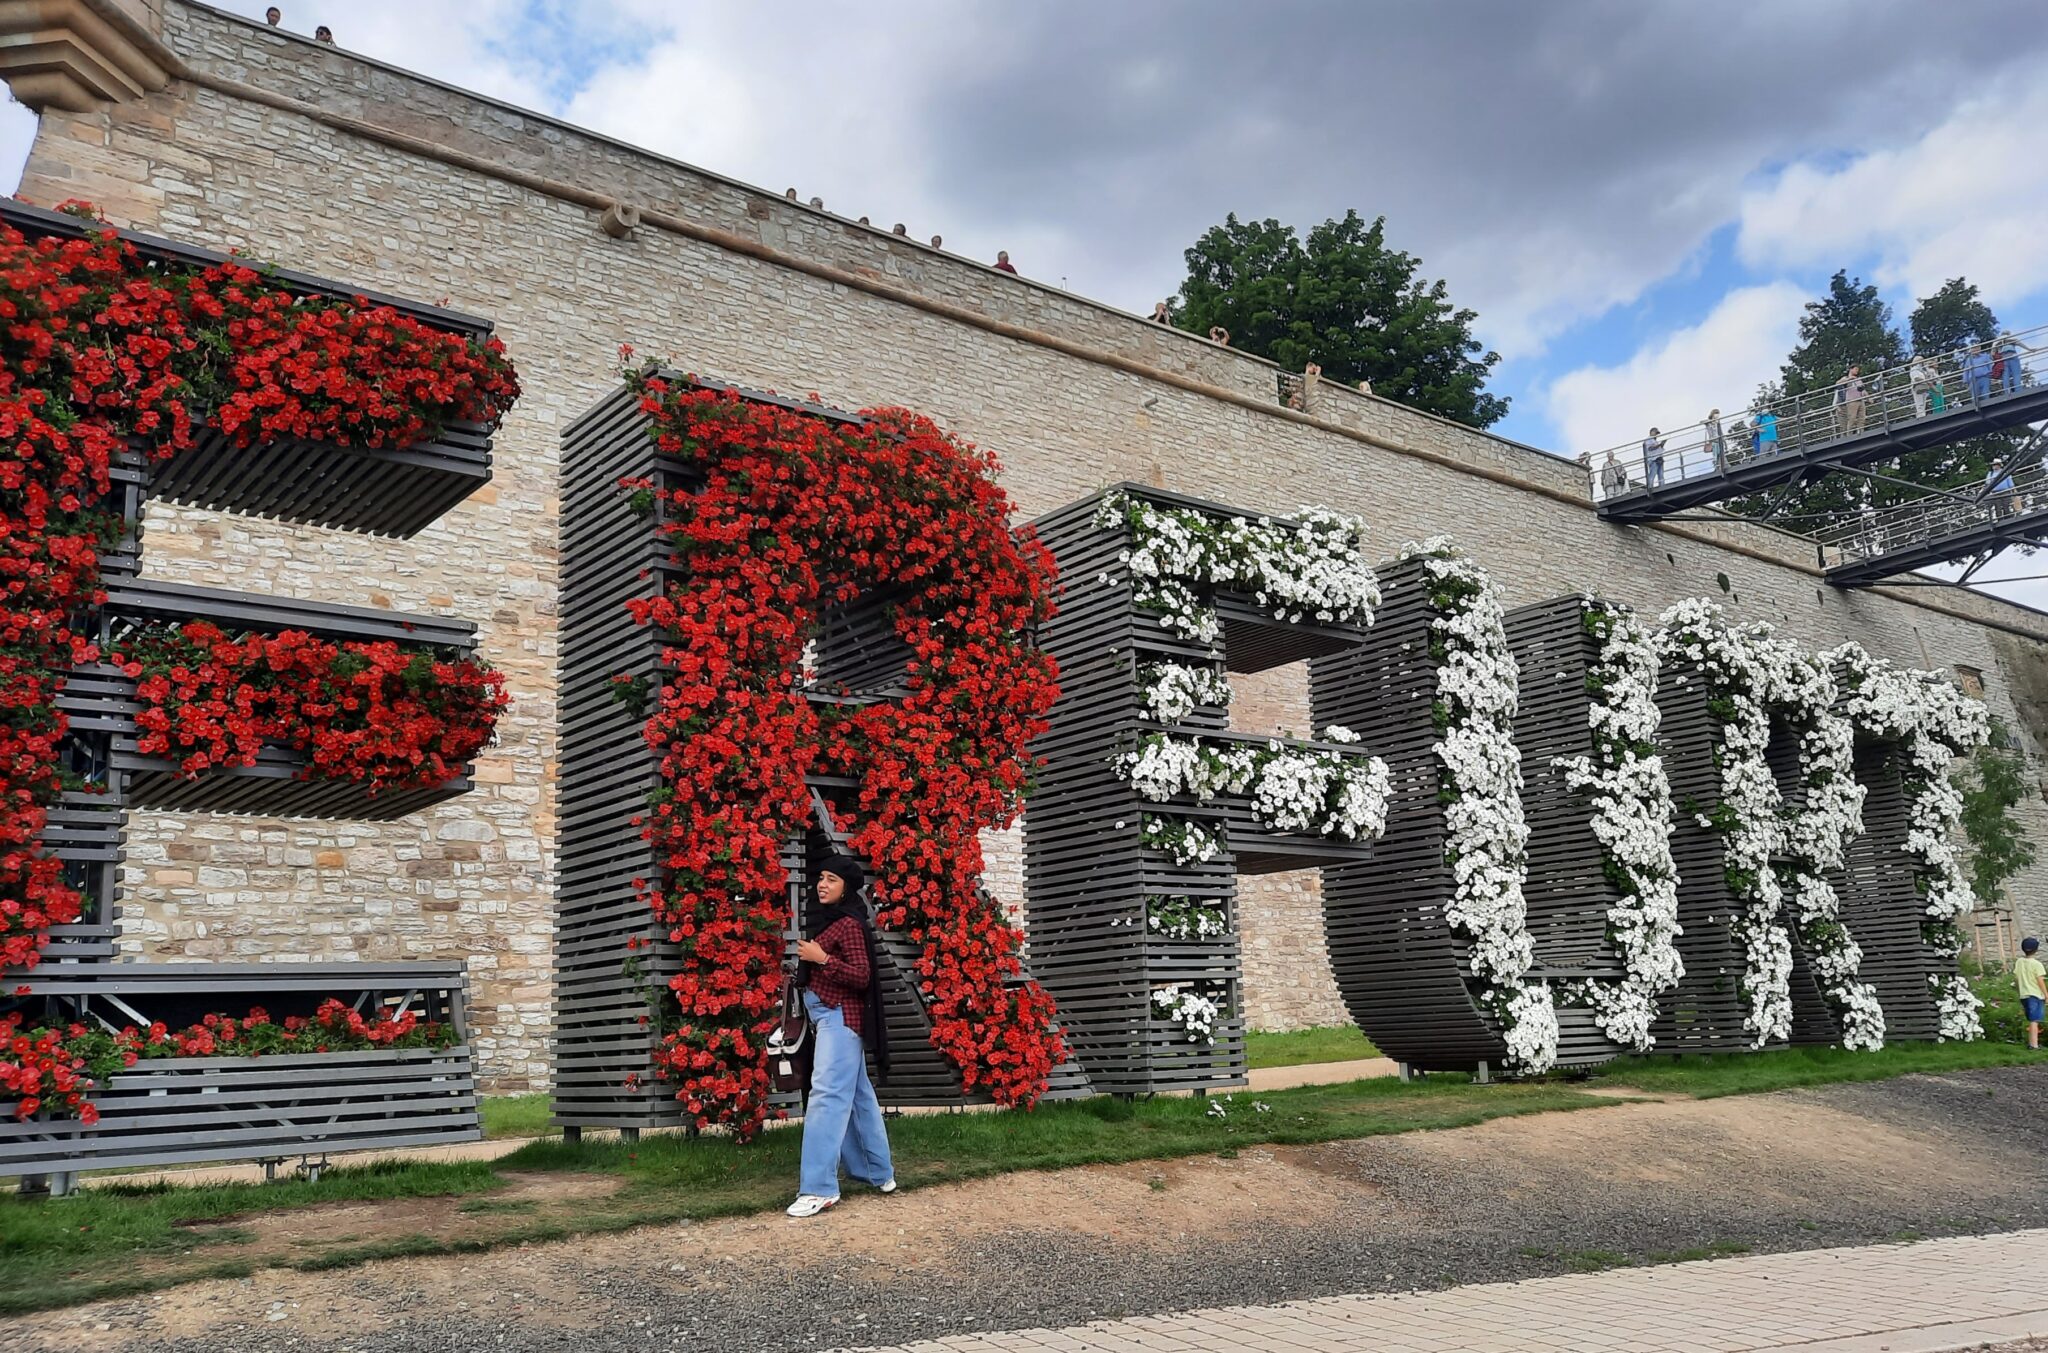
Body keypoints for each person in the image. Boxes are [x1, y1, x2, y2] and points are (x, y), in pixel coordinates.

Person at [786, 854, 895, 1218]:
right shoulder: (831, 921)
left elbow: (862, 977)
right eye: (820, 877)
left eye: (831, 878)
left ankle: (819, 1188)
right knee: (858, 1097)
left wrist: (821, 959)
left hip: (841, 1019)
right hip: (829, 1019)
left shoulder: (849, 924)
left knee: (827, 1097)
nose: (822, 884)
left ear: (847, 885)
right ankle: (878, 1172)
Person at [2017, 937, 2047, 1051]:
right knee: (2034, 1020)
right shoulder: (2037, 964)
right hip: (2035, 995)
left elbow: (2016, 978)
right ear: (2036, 950)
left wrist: (2019, 990)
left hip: (2024, 994)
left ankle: (2033, 1043)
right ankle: (2034, 1045)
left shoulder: (2019, 962)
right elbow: (2040, 981)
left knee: (2032, 1019)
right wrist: (2046, 994)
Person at [1835, 364, 1866, 435]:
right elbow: (1837, 383)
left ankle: (1861, 432)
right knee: (1852, 418)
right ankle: (1849, 435)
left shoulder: (1858, 379)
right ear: (1851, 369)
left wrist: (1868, 397)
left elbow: (1863, 390)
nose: (1857, 371)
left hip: (1860, 400)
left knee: (1862, 418)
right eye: (1855, 369)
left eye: (1857, 370)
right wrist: (1850, 379)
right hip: (1851, 401)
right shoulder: (1845, 378)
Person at [1909, 354, 1934, 418]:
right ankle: (1920, 414)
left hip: (1923, 386)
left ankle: (1922, 413)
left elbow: (1928, 375)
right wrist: (1924, 380)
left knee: (1923, 401)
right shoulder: (1914, 369)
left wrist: (1927, 368)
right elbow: (1915, 378)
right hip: (1917, 386)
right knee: (1919, 401)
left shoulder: (1922, 370)